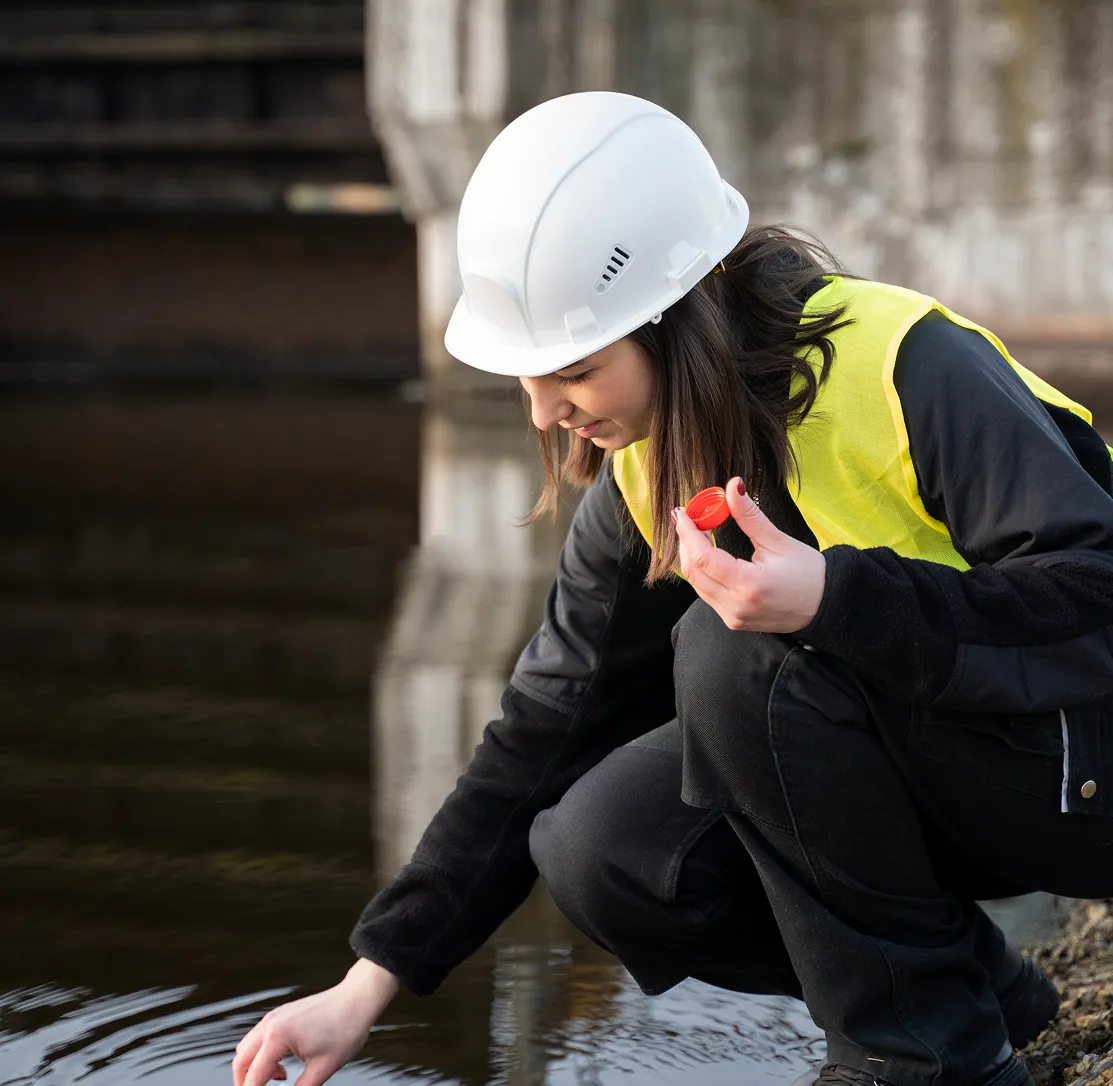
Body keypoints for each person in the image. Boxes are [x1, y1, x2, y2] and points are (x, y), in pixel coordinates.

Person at [232, 91, 1113, 1086]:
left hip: (1082, 777)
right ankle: (975, 1001)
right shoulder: (648, 474)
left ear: (670, 316)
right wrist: (370, 980)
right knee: (602, 847)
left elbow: (1095, 597)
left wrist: (833, 599)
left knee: (735, 658)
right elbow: (543, 728)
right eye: (527, 378)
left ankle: (919, 1063)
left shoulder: (906, 369)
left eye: (573, 369)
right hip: (961, 787)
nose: (547, 410)